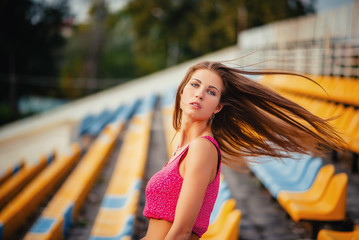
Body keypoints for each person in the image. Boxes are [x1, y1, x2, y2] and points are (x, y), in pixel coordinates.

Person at [141, 61, 344, 240]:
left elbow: (182, 232)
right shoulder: (182, 148)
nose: (199, 94)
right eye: (195, 84)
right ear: (182, 90)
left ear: (218, 107)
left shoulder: (202, 148)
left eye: (211, 92)